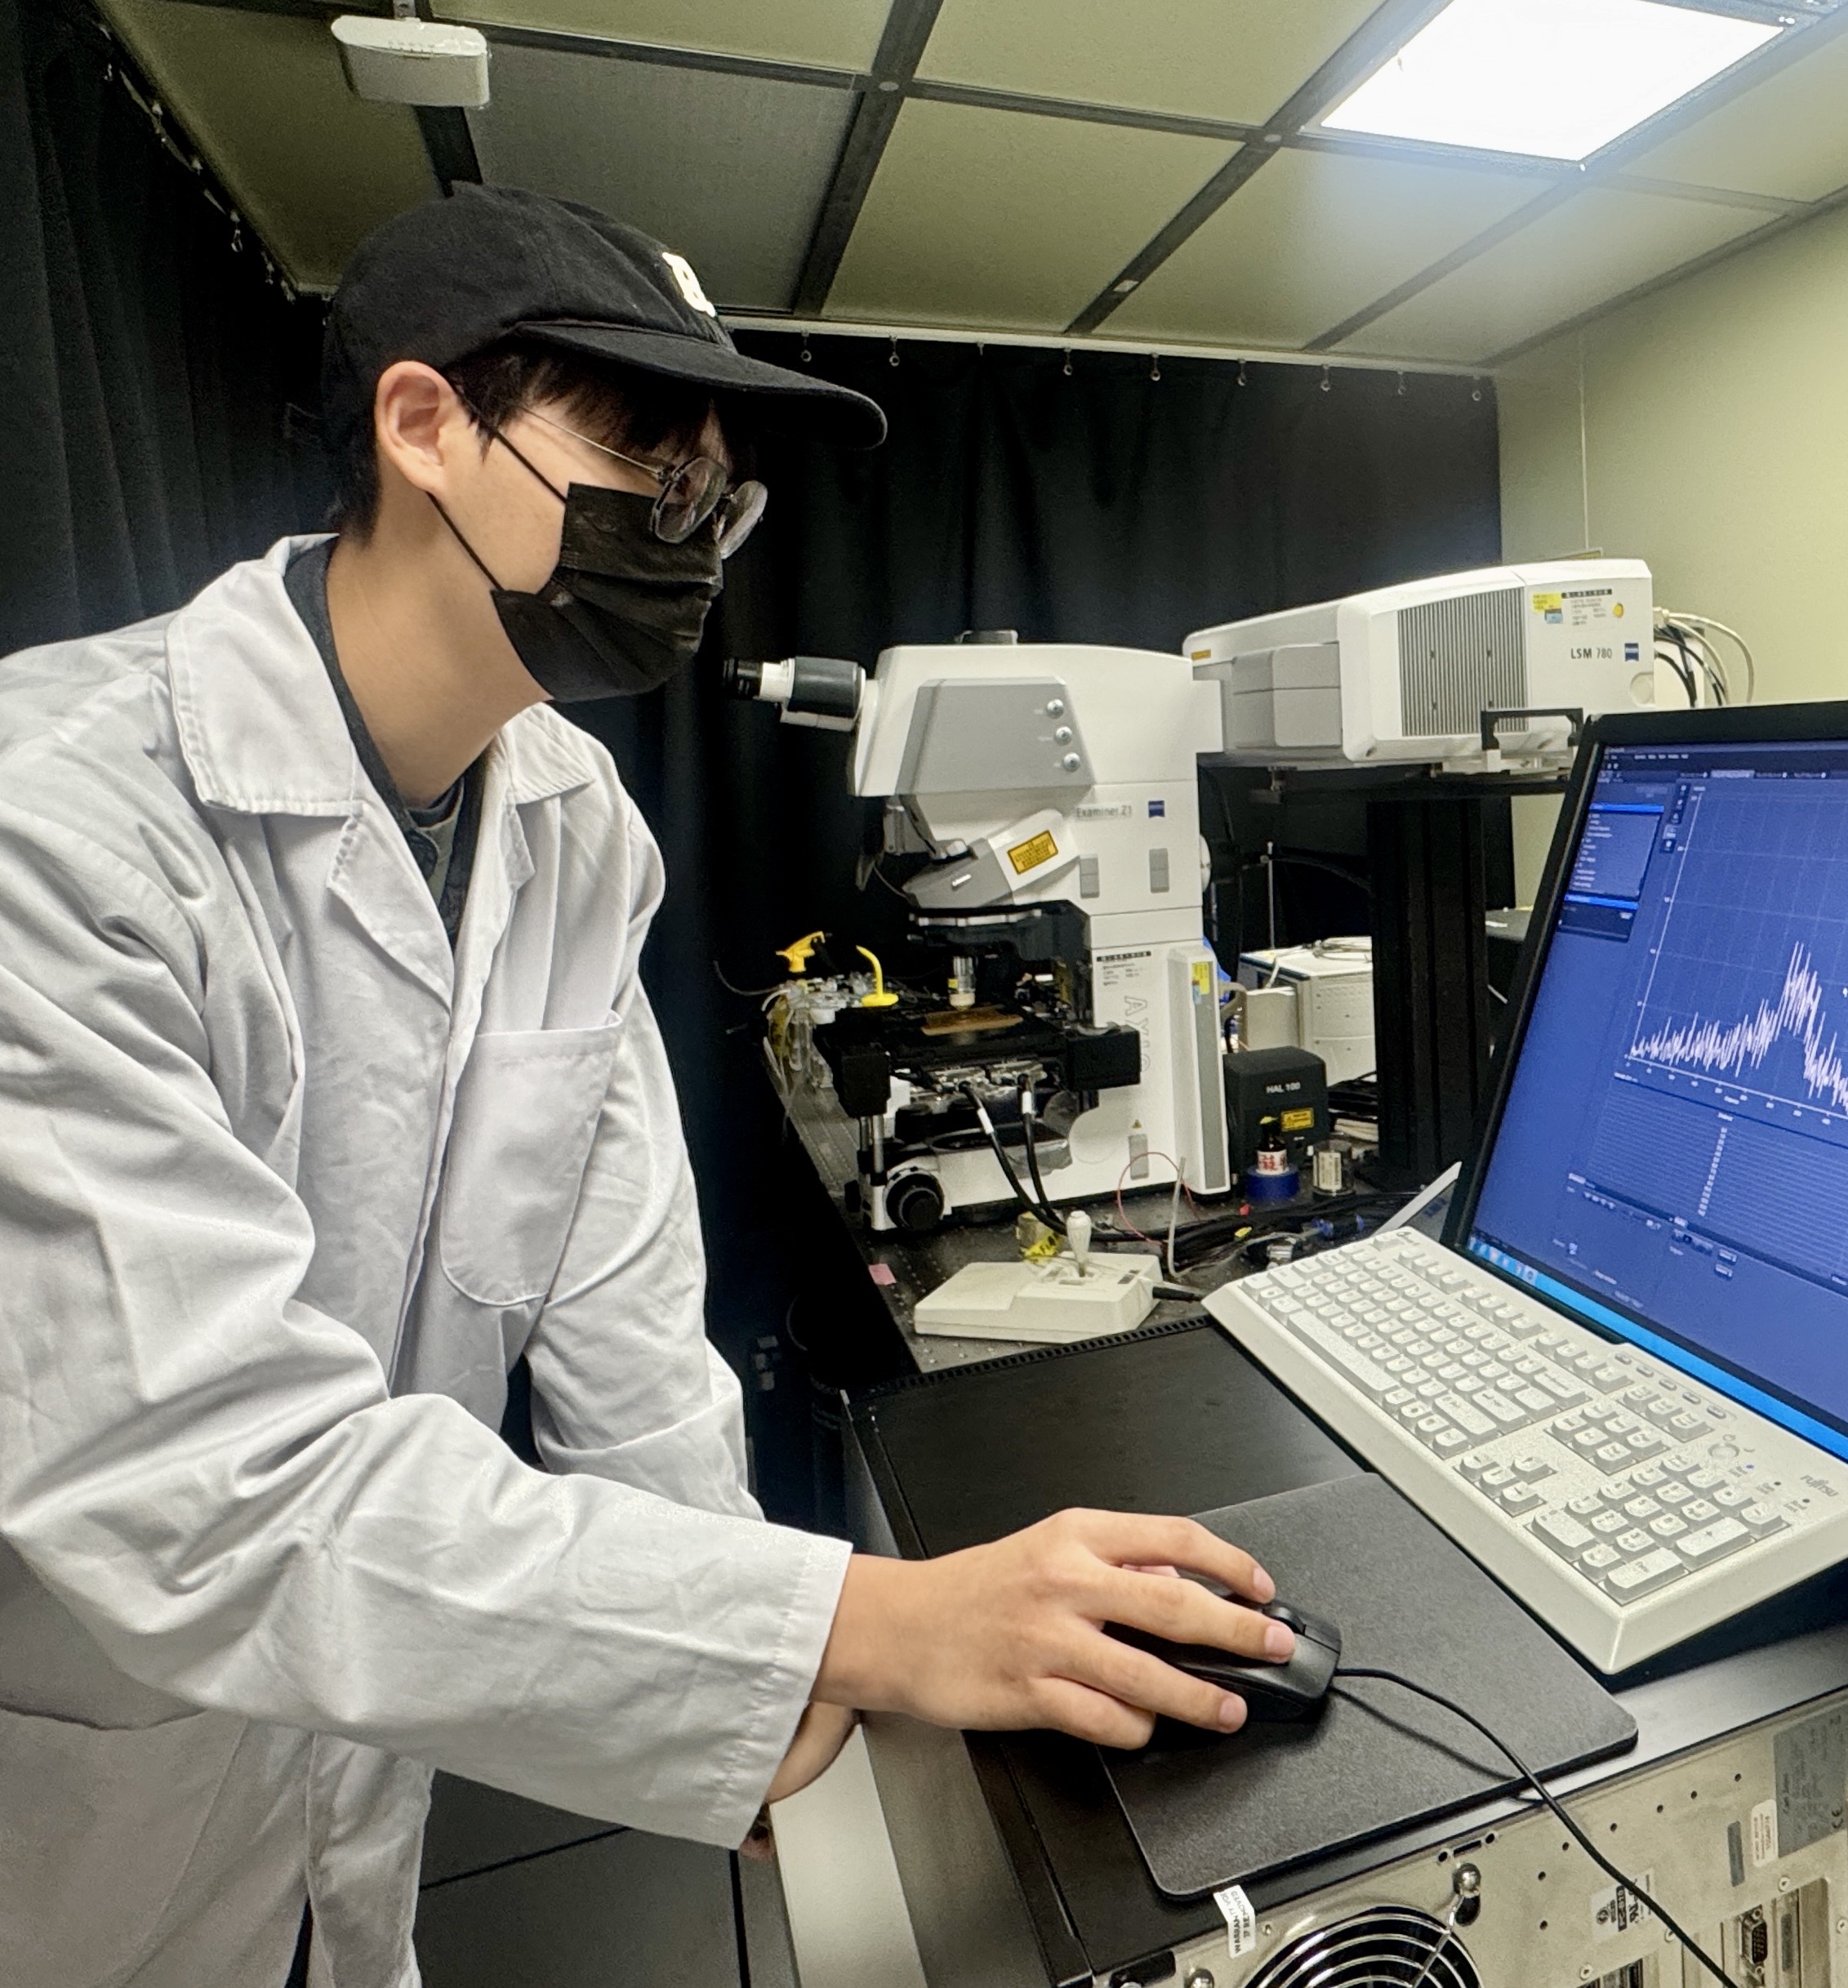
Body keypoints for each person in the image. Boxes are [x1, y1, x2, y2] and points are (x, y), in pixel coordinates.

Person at [0, 184, 1292, 1988]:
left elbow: (623, 1325)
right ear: (424, 425)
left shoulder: (568, 820)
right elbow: (218, 1487)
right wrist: (870, 1618)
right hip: (84, 1797)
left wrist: (755, 1677)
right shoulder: (57, 829)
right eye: (646, 465)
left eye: (716, 494)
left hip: (350, 1801)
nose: (688, 532)